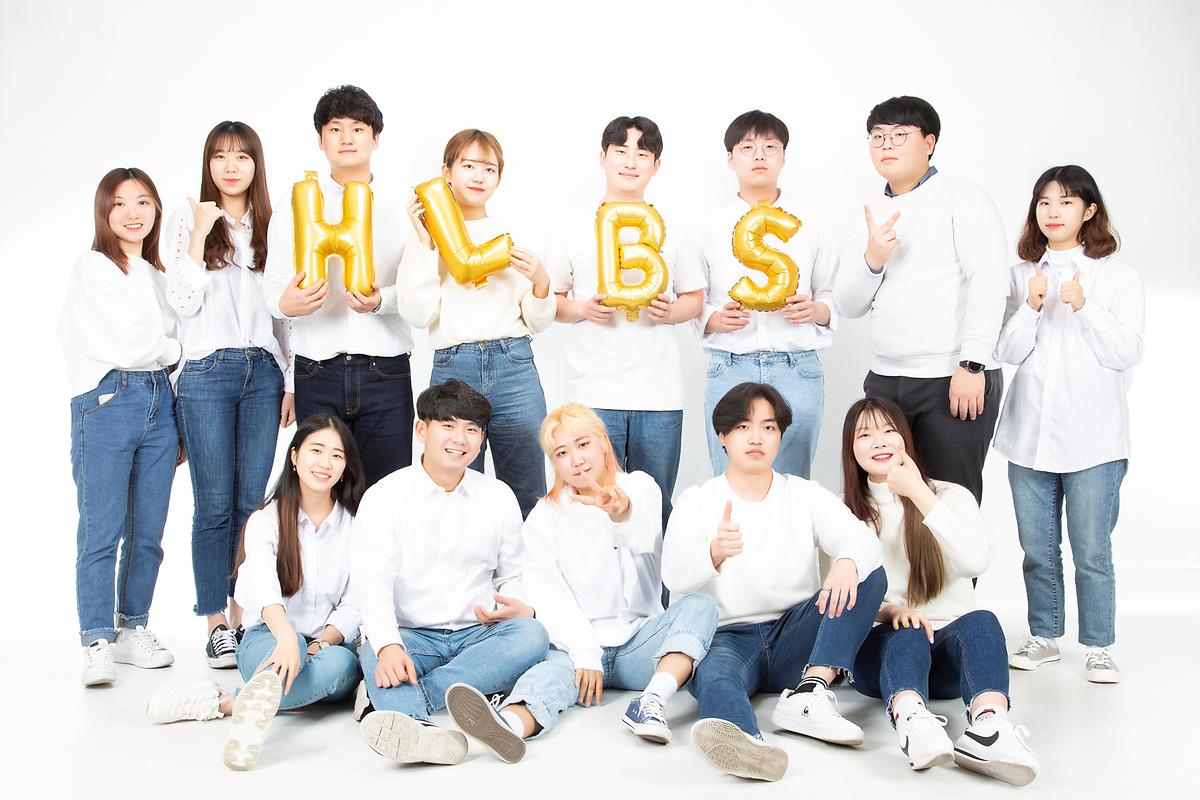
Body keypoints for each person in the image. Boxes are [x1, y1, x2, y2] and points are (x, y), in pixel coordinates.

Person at [445, 403, 718, 762]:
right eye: (561, 453)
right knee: (548, 675)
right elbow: (550, 594)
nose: (575, 460)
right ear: (553, 462)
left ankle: (651, 701)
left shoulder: (640, 487)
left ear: (603, 442)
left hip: (640, 644)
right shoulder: (544, 516)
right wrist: (585, 653)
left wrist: (619, 513)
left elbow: (642, 535)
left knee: (701, 606)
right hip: (577, 650)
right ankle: (510, 723)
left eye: (583, 444)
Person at [662, 382, 886, 782]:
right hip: (727, 637)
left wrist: (847, 562)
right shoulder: (697, 500)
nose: (756, 438)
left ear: (780, 436)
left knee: (869, 573)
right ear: (722, 436)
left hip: (796, 634)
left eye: (768, 427)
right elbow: (672, 575)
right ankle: (745, 743)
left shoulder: (803, 494)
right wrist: (713, 553)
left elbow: (863, 541)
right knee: (716, 679)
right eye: (743, 427)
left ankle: (809, 694)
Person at [146, 415, 366, 771]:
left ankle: (225, 702)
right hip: (267, 638)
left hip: (325, 647)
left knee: (342, 666)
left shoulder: (356, 528)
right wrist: (287, 638)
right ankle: (277, 694)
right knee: (295, 650)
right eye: (316, 450)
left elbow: (356, 602)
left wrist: (320, 644)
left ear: (345, 468)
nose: (325, 462)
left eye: (337, 455)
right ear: (294, 457)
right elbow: (261, 584)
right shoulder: (266, 520)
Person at [995, 165, 1143, 684]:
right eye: (1044, 202)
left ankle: (1099, 645)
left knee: (1092, 550)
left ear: (1089, 210)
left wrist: (1085, 309)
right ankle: (1044, 635)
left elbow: (1127, 353)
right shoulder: (1021, 276)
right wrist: (1031, 308)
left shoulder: (1117, 277)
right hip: (1029, 436)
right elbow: (1005, 351)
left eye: (1065, 202)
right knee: (1037, 549)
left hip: (1094, 439)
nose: (1052, 212)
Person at [351, 380, 548, 766]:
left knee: (532, 635)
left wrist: (517, 606)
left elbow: (511, 575)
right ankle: (422, 729)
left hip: (478, 634)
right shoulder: (385, 497)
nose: (461, 439)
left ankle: (406, 705)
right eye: (448, 425)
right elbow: (372, 584)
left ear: (481, 439)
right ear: (421, 429)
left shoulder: (497, 496)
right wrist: (389, 646)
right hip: (412, 636)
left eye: (472, 429)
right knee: (376, 652)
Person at [843, 398, 1039, 785]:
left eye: (888, 431)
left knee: (982, 620)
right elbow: (835, 594)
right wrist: (890, 612)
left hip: (948, 656)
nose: (878, 441)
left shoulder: (950, 496)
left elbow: (974, 561)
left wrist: (918, 492)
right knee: (907, 630)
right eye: (864, 434)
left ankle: (989, 728)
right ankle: (913, 723)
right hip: (880, 657)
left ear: (905, 437)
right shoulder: (843, 512)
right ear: (850, 448)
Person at [834, 95, 1009, 503]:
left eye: (900, 135)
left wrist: (972, 364)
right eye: (877, 136)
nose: (886, 145)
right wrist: (872, 260)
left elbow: (989, 281)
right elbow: (849, 304)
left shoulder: (963, 197)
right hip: (885, 377)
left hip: (952, 376)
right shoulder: (868, 214)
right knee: (886, 501)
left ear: (929, 142)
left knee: (951, 500)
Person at [164, 120, 292, 668]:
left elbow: (283, 313)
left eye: (242, 156)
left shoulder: (272, 226)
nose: (231, 166)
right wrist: (200, 232)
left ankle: (240, 620)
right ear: (208, 164)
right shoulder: (187, 221)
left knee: (250, 504)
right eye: (220, 156)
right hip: (206, 373)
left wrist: (290, 379)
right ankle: (214, 622)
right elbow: (181, 302)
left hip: (263, 372)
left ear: (256, 165)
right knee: (213, 505)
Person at [550, 115, 704, 531]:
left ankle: (660, 579)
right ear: (602, 157)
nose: (630, 161)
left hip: (659, 393)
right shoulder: (574, 224)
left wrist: (671, 312)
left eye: (642, 153)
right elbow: (552, 302)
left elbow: (694, 298)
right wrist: (584, 310)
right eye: (620, 151)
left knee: (655, 507)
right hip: (594, 391)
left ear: (657, 165)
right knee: (592, 506)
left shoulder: (674, 226)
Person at [60, 167, 181, 686]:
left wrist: (167, 352)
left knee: (148, 530)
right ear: (104, 212)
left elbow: (169, 340)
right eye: (120, 203)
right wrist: (170, 347)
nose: (133, 213)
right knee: (101, 529)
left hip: (159, 399)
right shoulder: (94, 267)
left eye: (143, 202)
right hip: (109, 399)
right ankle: (96, 639)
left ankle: (133, 628)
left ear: (156, 211)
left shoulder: (157, 275)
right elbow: (132, 344)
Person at [263, 85, 416, 486]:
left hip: (385, 370)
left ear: (375, 138)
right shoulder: (295, 204)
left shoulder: (401, 206)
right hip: (316, 371)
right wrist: (286, 303)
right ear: (321, 139)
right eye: (335, 129)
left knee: (386, 493)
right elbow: (273, 283)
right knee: (318, 494)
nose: (346, 138)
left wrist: (382, 301)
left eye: (358, 128)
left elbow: (420, 286)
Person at [401, 129, 553, 518]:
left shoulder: (513, 235)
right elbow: (418, 314)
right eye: (468, 165)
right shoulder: (428, 239)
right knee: (452, 486)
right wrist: (425, 245)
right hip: (455, 365)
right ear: (447, 172)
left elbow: (537, 320)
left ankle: (525, 561)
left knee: (527, 489)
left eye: (489, 168)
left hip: (513, 363)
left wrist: (541, 281)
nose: (478, 176)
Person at [689, 110, 838, 478]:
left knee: (793, 483)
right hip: (730, 364)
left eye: (770, 147)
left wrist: (816, 309)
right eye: (748, 147)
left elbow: (831, 292)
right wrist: (714, 319)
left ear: (784, 156)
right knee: (729, 481)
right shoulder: (708, 226)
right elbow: (693, 297)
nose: (759, 155)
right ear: (730, 158)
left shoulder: (809, 224)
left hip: (796, 367)